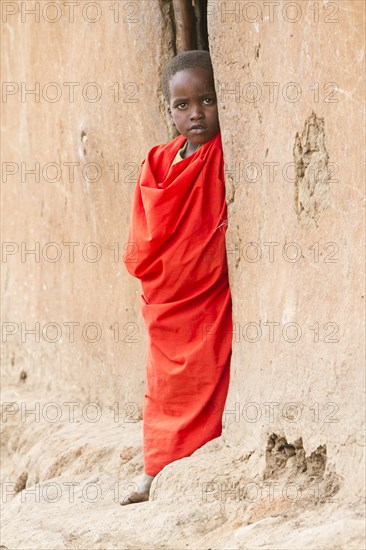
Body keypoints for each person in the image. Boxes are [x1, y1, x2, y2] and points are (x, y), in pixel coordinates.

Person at [121, 50, 233, 505]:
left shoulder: (226, 153)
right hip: (168, 300)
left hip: (208, 294)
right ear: (168, 109)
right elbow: (142, 239)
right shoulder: (158, 162)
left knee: (207, 372)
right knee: (163, 385)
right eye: (182, 105)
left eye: (206, 100)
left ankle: (197, 458)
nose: (196, 114)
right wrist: (164, 273)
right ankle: (155, 466)